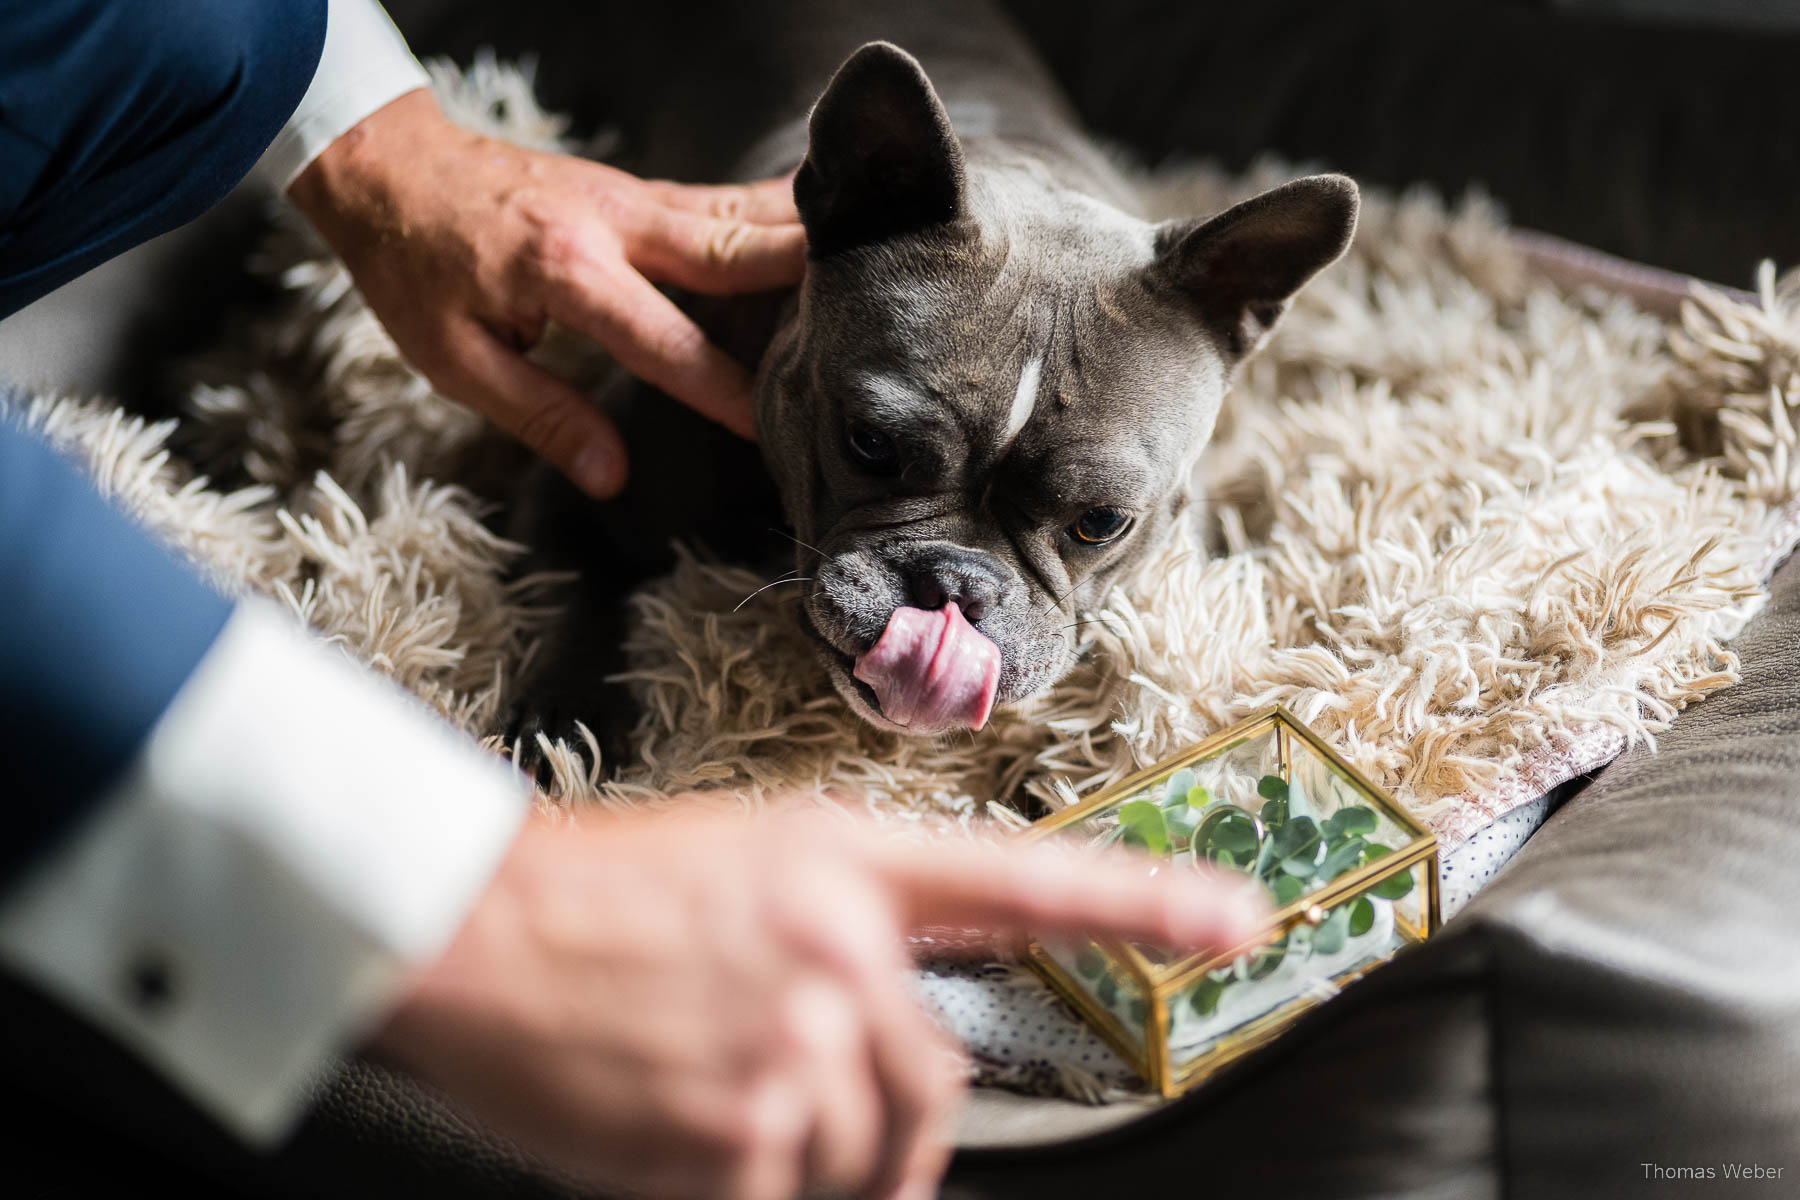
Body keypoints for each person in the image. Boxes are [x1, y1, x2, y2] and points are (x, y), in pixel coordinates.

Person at [0, 3, 1262, 1197]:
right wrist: (482, 890)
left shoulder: (1150, 337)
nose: (958, 597)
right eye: (884, 453)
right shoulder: (760, 324)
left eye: (1092, 522)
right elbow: (587, 525)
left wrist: (373, 129)